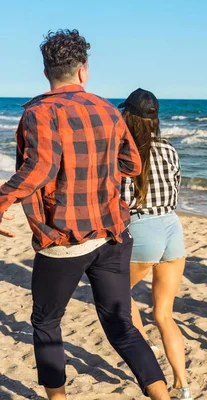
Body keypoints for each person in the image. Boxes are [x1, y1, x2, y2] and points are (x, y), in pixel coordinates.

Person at [0, 30, 169, 400]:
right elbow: (131, 163)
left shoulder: (38, 111)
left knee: (46, 321)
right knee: (121, 325)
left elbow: (40, 168)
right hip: (113, 233)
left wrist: (2, 201)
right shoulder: (107, 109)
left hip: (65, 238)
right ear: (83, 71)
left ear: (47, 72)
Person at [119, 89, 190, 399]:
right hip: (172, 228)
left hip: (141, 227)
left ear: (128, 116)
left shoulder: (121, 152)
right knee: (164, 314)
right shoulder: (170, 149)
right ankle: (182, 384)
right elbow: (174, 188)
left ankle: (145, 360)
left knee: (119, 296)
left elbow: (117, 198)